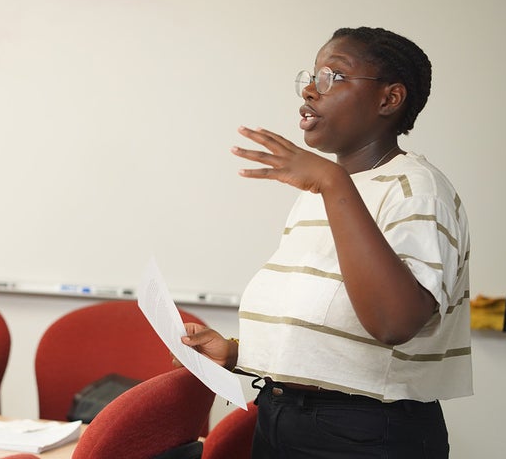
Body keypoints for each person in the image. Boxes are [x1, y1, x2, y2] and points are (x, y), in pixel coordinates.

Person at [182, 27, 471, 458]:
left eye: (334, 76)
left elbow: (394, 323)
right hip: (282, 417)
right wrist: (236, 353)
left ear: (389, 99)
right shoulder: (322, 192)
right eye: (311, 76)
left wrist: (330, 180)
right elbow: (328, 332)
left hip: (365, 435)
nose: (311, 91)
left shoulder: (416, 190)